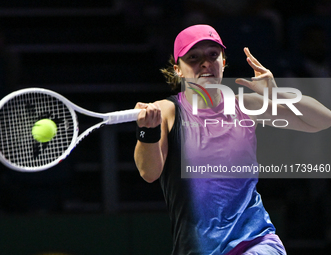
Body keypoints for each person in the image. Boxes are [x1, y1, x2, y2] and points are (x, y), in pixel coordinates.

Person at [134, 24, 331, 255]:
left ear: (224, 62)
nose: (205, 63)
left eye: (213, 55)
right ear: (178, 69)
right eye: (194, 57)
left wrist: (276, 94)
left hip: (256, 241)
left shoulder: (244, 105)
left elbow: (323, 120)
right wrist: (147, 132)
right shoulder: (167, 111)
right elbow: (149, 173)